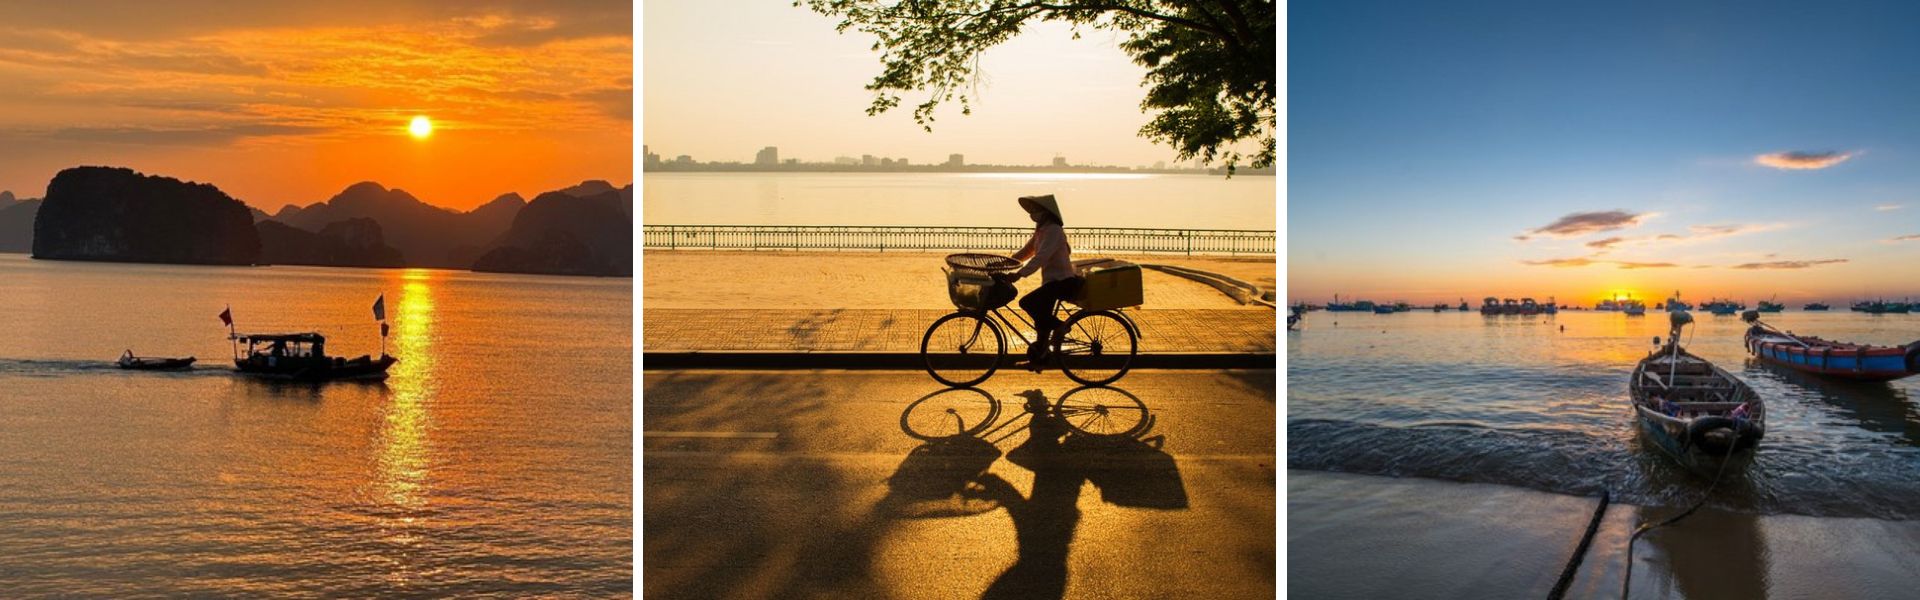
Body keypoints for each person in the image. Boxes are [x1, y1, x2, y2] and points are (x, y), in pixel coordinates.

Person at [993, 194, 1082, 369]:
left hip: (1062, 281)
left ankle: (1061, 327)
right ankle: (1038, 360)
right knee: (1041, 325)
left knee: (1027, 303)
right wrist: (1004, 264)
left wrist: (1020, 274)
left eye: (1035, 210)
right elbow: (1027, 252)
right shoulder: (1041, 231)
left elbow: (1041, 257)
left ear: (1046, 212)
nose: (1033, 214)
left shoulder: (1054, 230)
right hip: (1051, 282)